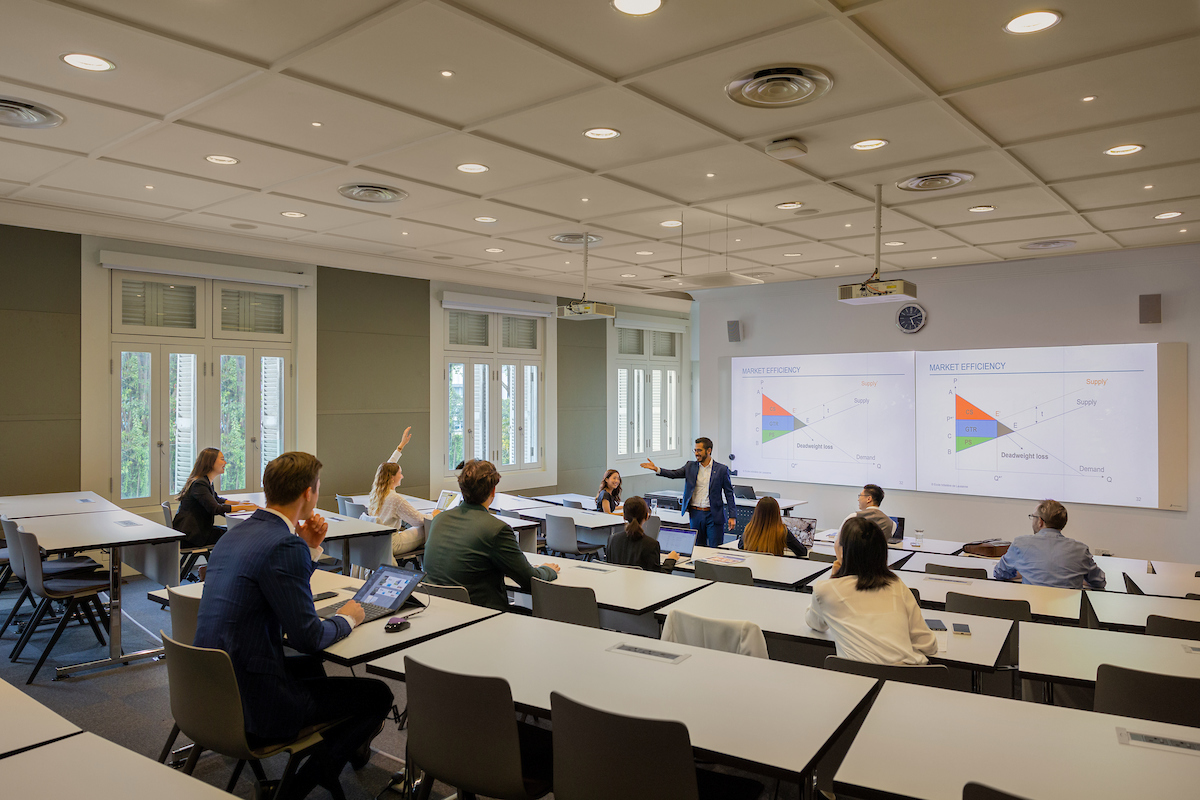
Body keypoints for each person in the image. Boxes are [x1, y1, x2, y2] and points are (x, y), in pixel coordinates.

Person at [194, 452, 393, 800]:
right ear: (308, 493)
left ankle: (331, 749)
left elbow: (274, 585)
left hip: (215, 690)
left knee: (314, 670)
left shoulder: (235, 535)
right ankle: (295, 788)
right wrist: (349, 616)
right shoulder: (283, 544)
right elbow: (309, 637)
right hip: (258, 705)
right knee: (377, 694)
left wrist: (309, 549)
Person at [422, 459, 560, 611]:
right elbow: (530, 580)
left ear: (462, 490)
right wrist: (548, 569)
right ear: (493, 491)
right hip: (480, 614)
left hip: (439, 609)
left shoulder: (439, 519)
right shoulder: (497, 529)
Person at [806, 516, 938, 665]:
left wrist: (834, 578)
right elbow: (928, 645)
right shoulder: (896, 584)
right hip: (907, 680)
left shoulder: (825, 590)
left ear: (843, 551)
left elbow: (815, 624)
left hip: (857, 681)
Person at [641, 437, 736, 549]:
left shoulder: (721, 469)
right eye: (695, 450)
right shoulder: (690, 466)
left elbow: (729, 494)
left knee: (715, 548)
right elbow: (674, 474)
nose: (696, 453)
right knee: (697, 548)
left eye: (699, 450)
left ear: (709, 450)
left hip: (713, 515)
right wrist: (657, 469)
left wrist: (732, 516)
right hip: (695, 514)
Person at [993, 500, 1106, 589]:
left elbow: (999, 573)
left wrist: (1024, 572)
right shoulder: (1081, 550)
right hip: (1069, 614)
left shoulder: (1020, 544)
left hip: (1030, 613)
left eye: (1033, 517)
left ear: (1040, 521)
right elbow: (1100, 581)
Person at [362, 427, 427, 562]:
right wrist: (434, 515)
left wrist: (401, 446)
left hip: (378, 541)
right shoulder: (395, 499)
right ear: (392, 478)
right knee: (427, 528)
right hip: (392, 543)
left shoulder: (377, 492)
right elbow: (418, 520)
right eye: (400, 473)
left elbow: (387, 467)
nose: (402, 476)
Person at [172, 448, 256, 548]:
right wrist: (245, 508)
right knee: (240, 535)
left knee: (236, 532)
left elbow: (216, 499)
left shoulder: (204, 481)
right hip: (193, 536)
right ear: (211, 462)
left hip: (193, 532)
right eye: (222, 459)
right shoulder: (200, 484)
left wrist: (239, 503)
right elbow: (215, 508)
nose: (225, 462)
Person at [606, 496, 679, 573]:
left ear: (624, 517)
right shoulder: (651, 544)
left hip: (615, 583)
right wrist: (671, 560)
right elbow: (657, 576)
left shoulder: (612, 539)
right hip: (640, 585)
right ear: (647, 516)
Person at [738, 496, 807, 557]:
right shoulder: (781, 531)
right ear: (777, 513)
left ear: (757, 512)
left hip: (752, 569)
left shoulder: (749, 529)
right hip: (774, 569)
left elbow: (740, 547)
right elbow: (802, 552)